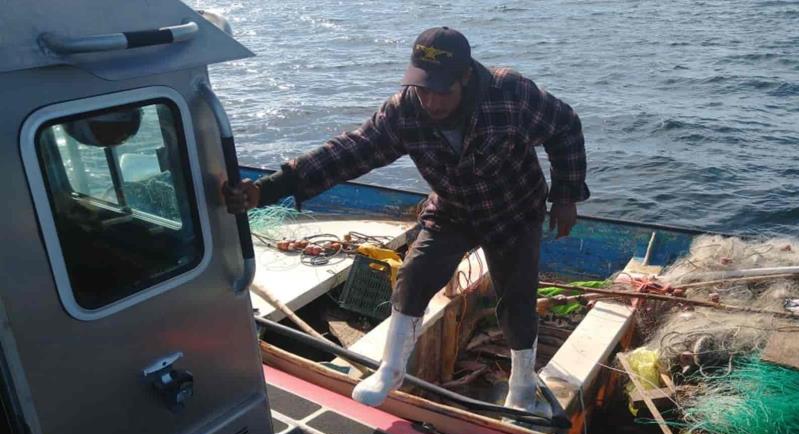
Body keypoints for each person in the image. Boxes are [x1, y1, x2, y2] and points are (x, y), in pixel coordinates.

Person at [223, 27, 587, 412]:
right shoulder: (406, 110)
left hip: (514, 210)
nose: (430, 101)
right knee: (414, 276)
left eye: (441, 90)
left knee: (517, 300)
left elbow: (565, 126)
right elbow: (351, 150)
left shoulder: (511, 93)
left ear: (466, 76)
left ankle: (522, 385)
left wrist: (566, 195)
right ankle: (391, 368)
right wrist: (268, 189)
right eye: (422, 88)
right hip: (454, 206)